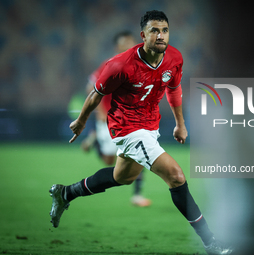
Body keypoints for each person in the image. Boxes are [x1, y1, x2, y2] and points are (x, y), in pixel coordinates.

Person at [49, 10, 233, 255]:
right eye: (154, 31)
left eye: (165, 30)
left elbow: (174, 89)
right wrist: (82, 121)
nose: (160, 36)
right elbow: (96, 94)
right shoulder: (120, 65)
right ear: (143, 35)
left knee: (122, 177)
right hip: (127, 129)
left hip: (150, 127)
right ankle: (212, 243)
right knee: (176, 176)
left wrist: (180, 123)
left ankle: (66, 192)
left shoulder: (174, 58)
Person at [81, 31, 151, 207]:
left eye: (130, 42)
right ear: (117, 47)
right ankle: (96, 138)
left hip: (131, 120)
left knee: (140, 153)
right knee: (109, 160)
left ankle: (137, 195)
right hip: (109, 119)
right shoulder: (110, 64)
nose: (128, 46)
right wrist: (99, 110)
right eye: (124, 43)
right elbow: (91, 86)